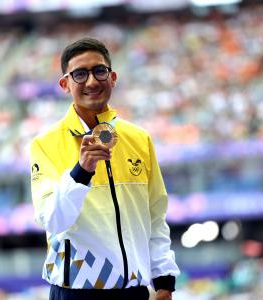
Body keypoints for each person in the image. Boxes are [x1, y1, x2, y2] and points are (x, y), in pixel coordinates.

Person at [30, 37, 179, 300]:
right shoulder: (45, 144)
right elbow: (52, 219)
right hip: (75, 291)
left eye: (99, 71)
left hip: (133, 291)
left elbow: (155, 213)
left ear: (113, 78)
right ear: (65, 84)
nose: (91, 81)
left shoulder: (139, 138)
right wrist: (81, 172)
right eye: (80, 74)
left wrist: (164, 279)